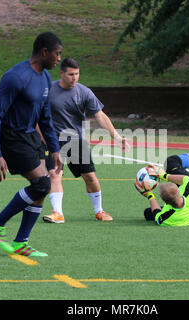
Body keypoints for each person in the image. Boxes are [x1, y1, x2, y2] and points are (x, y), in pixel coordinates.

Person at [0, 32, 63, 257]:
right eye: (57, 54)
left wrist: (54, 148)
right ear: (44, 52)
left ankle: (21, 243)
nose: (59, 59)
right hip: (12, 138)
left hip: (31, 137)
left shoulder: (45, 77)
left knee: (41, 190)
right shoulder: (15, 77)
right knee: (41, 185)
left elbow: (45, 117)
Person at [41, 57, 131, 223]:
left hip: (76, 141)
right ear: (61, 73)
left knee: (90, 177)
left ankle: (99, 211)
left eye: (77, 74)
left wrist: (117, 137)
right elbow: (37, 117)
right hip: (53, 141)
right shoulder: (48, 90)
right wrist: (43, 139)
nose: (74, 77)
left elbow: (100, 116)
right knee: (54, 174)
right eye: (70, 74)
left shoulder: (84, 92)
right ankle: (57, 213)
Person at [136, 136, 189, 226]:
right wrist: (164, 175)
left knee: (148, 213)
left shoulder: (165, 218)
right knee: (171, 162)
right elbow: (185, 178)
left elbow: (157, 214)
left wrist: (149, 194)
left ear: (166, 203)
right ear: (180, 191)